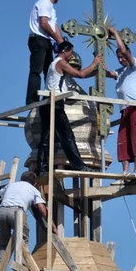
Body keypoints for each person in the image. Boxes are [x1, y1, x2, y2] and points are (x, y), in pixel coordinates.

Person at [37, 41, 102, 176]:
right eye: (71, 53)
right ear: (64, 51)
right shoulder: (61, 62)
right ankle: (78, 166)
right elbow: (80, 75)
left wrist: (96, 71)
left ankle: (42, 168)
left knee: (46, 137)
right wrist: (94, 63)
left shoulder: (55, 64)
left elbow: (78, 73)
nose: (72, 56)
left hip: (46, 103)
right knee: (67, 135)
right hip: (55, 103)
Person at [105, 26, 136, 175]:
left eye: (123, 57)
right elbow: (108, 74)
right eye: (119, 58)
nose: (121, 59)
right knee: (123, 138)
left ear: (129, 54)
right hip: (124, 109)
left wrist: (115, 33)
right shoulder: (120, 72)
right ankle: (125, 171)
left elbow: (123, 51)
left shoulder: (135, 65)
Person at [0, 171, 57, 265]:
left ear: (20, 179)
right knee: (23, 240)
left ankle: (0, 267)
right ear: (35, 183)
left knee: (3, 243)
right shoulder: (34, 190)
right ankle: (22, 264)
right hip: (17, 213)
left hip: (1, 212)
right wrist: (53, 227)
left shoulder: (11, 185)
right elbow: (43, 211)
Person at [26, 0, 64, 105]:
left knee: (49, 71)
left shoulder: (51, 8)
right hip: (38, 39)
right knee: (36, 70)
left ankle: (48, 99)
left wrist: (62, 41)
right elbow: (44, 23)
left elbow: (54, 25)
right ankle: (32, 100)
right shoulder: (44, 3)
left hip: (46, 41)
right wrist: (57, 39)